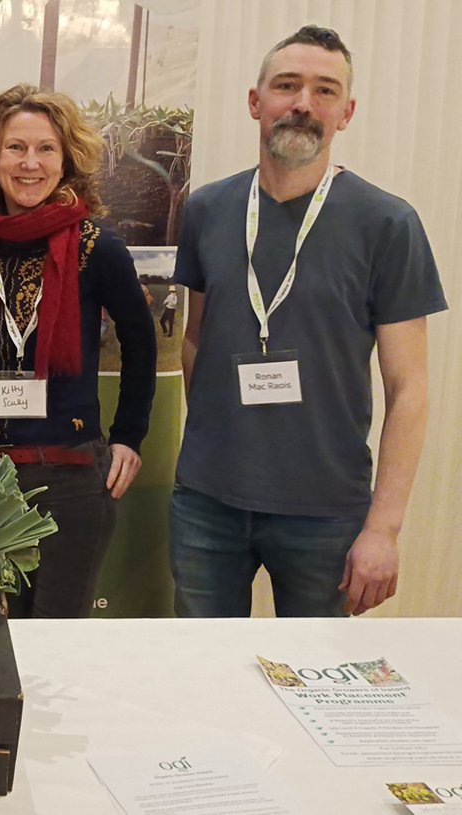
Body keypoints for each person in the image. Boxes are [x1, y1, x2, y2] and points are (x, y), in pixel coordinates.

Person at [171, 26, 447, 618]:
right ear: (255, 102)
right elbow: (196, 339)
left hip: (327, 513)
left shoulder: (388, 224)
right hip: (206, 506)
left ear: (346, 113)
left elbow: (410, 389)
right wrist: (222, 446)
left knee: (315, 686)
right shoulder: (207, 210)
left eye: (325, 91)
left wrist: (384, 530)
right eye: (287, 86)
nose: (302, 104)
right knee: (204, 676)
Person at [0, 84, 157, 618]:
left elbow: (140, 342)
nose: (30, 163)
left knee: (56, 638)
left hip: (70, 479)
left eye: (46, 149)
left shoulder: (98, 247)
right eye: (15, 148)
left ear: (65, 160)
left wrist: (130, 437)